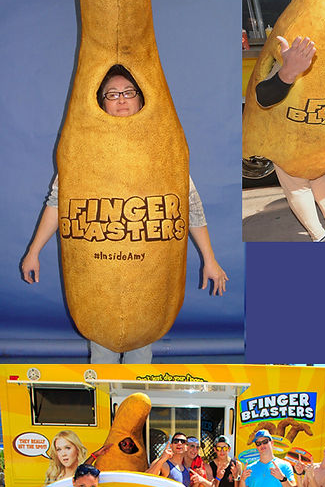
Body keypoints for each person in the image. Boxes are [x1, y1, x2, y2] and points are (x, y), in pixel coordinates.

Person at [21, 64, 229, 363]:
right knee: (102, 347)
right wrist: (33, 251)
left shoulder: (163, 149)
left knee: (141, 346)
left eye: (129, 92)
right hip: (99, 275)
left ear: (142, 100)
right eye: (112, 94)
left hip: (146, 276)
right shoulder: (82, 151)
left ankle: (134, 405)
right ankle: (106, 406)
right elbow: (58, 202)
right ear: (100, 102)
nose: (121, 99)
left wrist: (210, 259)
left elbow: (188, 204)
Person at [253, 32, 325, 242]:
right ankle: (320, 237)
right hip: (286, 140)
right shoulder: (299, 52)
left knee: (320, 177)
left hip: (316, 136)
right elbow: (263, 96)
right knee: (298, 187)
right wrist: (288, 71)